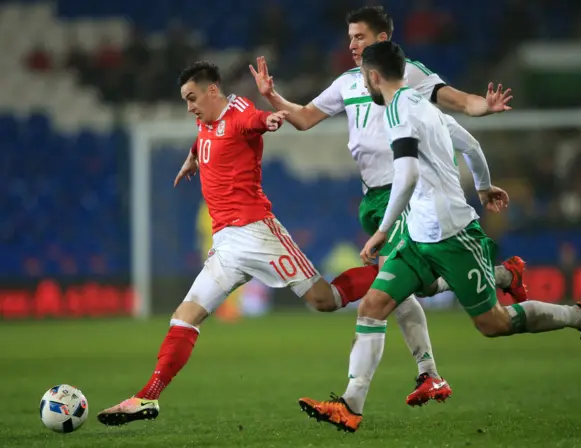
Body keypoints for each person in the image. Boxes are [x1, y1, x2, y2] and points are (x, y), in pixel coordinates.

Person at [297, 41, 581, 433]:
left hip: (452, 235)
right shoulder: (422, 104)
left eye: (366, 78)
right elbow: (471, 144)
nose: (365, 85)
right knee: (373, 306)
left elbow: (408, 174)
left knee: (492, 323)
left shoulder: (398, 113)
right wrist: (483, 185)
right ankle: (350, 405)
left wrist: (382, 230)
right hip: (417, 234)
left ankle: (580, 315)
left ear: (374, 77)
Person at [251, 5, 525, 406]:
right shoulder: (347, 82)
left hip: (407, 193)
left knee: (386, 289)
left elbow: (455, 100)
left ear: (382, 39)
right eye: (348, 38)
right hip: (373, 198)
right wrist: (274, 97)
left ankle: (419, 376)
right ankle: (498, 276)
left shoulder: (407, 73)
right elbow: (306, 118)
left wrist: (481, 106)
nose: (352, 45)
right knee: (421, 285)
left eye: (359, 37)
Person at [96, 61, 381, 426]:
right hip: (226, 244)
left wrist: (271, 121)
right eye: (185, 100)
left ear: (212, 90)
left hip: (258, 233)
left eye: (192, 98)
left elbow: (255, 120)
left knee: (325, 301)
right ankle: (146, 398)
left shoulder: (239, 111)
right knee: (186, 315)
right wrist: (192, 159)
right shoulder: (205, 122)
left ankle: (393, 273)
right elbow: (204, 135)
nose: (189, 107)